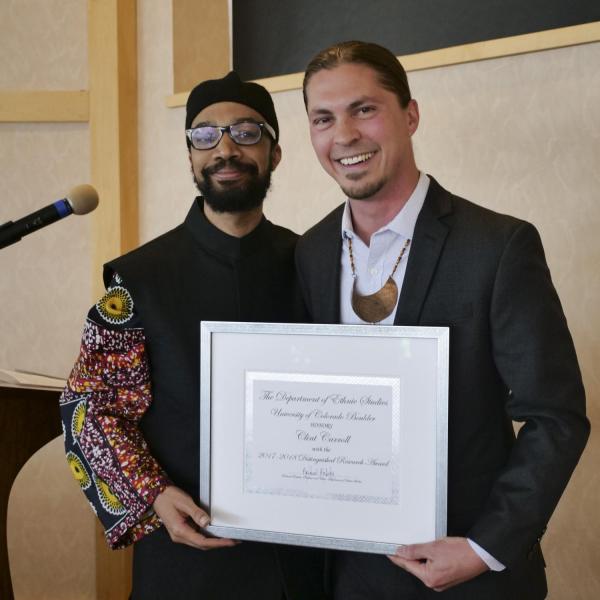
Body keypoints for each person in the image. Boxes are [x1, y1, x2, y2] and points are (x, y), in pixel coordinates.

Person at [296, 41, 589, 599]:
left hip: (469, 580)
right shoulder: (308, 254)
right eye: (323, 119)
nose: (344, 136)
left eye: (364, 109)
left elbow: (556, 416)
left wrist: (485, 548)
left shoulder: (499, 247)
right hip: (348, 580)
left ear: (410, 114)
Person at [60, 71, 326, 600]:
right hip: (187, 553)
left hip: (306, 555)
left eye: (247, 132)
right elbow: (90, 406)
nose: (225, 149)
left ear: (275, 153)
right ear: (190, 158)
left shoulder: (316, 265)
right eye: (204, 136)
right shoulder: (138, 280)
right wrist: (154, 495)